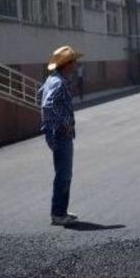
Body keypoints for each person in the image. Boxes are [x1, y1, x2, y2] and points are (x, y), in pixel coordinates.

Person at [40, 45, 82, 226]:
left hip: (57, 133)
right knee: (64, 175)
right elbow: (47, 105)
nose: (76, 65)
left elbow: (40, 95)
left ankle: (61, 211)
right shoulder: (58, 82)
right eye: (74, 62)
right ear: (67, 64)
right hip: (61, 135)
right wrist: (63, 123)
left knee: (64, 174)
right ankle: (58, 214)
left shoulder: (53, 79)